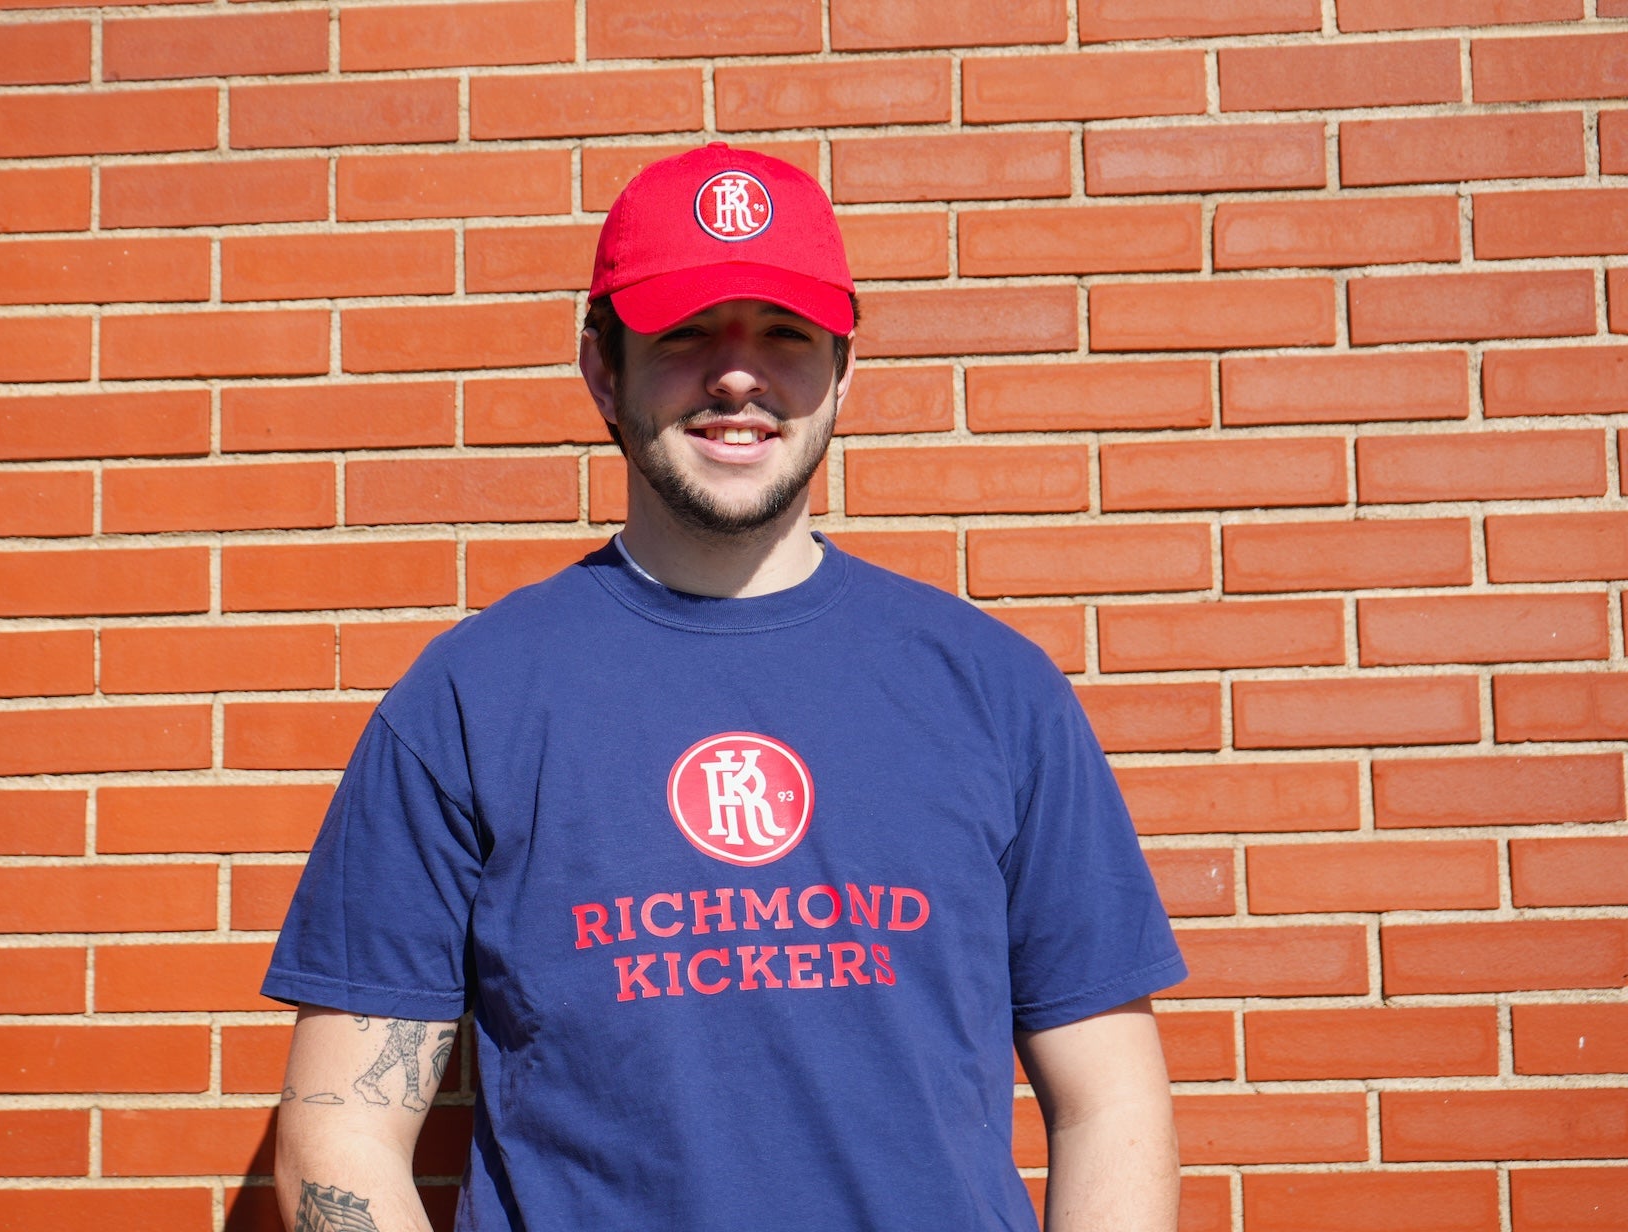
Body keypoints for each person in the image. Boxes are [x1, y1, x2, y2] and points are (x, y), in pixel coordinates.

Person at [264, 143, 1186, 1232]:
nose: (738, 376)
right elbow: (338, 1132)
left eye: (784, 334)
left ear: (844, 371)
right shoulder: (471, 699)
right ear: (603, 369)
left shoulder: (994, 689)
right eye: (689, 332)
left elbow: (1107, 1099)